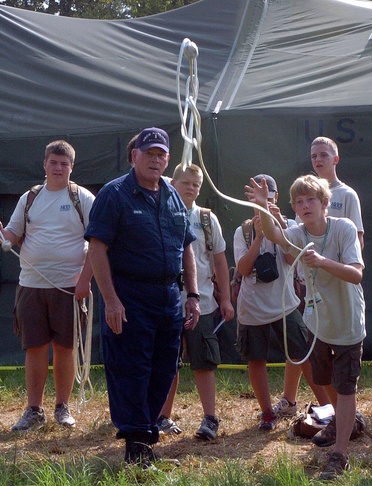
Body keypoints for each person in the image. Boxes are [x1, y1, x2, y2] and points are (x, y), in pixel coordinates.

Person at [85, 127, 201, 467]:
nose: (155, 159)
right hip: (130, 294)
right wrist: (111, 299)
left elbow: (187, 246)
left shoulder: (172, 194)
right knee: (131, 368)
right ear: (134, 156)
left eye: (161, 154)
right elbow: (97, 249)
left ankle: (146, 436)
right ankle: (136, 444)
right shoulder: (115, 194)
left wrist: (192, 294)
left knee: (164, 368)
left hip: (168, 295)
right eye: (149, 153)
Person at [251, 174, 366, 480]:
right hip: (317, 323)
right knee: (325, 380)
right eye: (298, 202)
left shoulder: (343, 228)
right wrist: (264, 207)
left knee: (345, 386)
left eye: (310, 199)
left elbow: (356, 274)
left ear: (325, 203)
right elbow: (276, 236)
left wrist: (323, 262)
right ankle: (347, 421)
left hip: (347, 322)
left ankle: (339, 454)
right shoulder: (298, 233)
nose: (304, 206)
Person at [0, 140, 95, 432]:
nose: (58, 168)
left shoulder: (82, 198)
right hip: (31, 285)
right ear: (45, 164)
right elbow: (12, 235)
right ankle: (33, 410)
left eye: (64, 164)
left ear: (72, 167)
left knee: (65, 347)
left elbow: (98, 242)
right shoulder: (30, 197)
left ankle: (63, 407)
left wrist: (85, 280)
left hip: (69, 288)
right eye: (53, 162)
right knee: (34, 347)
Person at [156, 164, 234, 440]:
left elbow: (221, 260)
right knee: (167, 362)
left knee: (204, 361)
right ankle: (162, 417)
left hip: (202, 303)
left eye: (196, 185)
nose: (190, 188)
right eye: (185, 183)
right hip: (166, 303)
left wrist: (225, 298)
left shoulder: (206, 219)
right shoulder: (160, 212)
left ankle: (210, 418)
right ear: (172, 182)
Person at [233, 174, 308, 431]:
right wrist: (257, 237)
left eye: (269, 197)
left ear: (276, 198)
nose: (264, 202)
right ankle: (267, 413)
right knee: (256, 359)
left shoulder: (289, 226)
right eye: (258, 198)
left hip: (285, 302)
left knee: (302, 353)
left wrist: (276, 229)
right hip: (252, 308)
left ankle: (318, 406)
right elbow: (243, 269)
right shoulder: (242, 230)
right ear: (250, 200)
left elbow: (291, 260)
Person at [310, 137, 364, 249]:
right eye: (314, 156)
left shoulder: (348, 194)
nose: (318, 159)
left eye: (323, 155)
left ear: (336, 159)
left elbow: (358, 241)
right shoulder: (306, 194)